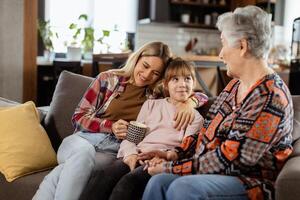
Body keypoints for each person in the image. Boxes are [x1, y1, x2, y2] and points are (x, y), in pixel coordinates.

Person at [141, 6, 294, 200]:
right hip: (218, 171)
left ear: (242, 46)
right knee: (158, 181)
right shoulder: (234, 86)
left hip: (250, 181)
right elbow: (207, 133)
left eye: (223, 44)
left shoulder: (270, 96)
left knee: (184, 188)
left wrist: (171, 167)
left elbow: (233, 160)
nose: (220, 54)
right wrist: (174, 154)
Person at [33, 42, 206, 200]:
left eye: (155, 73)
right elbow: (78, 117)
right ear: (137, 58)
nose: (146, 75)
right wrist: (111, 126)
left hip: (113, 150)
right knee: (82, 155)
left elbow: (191, 89)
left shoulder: (155, 95)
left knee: (67, 171)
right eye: (145, 66)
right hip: (83, 140)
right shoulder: (108, 78)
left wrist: (191, 102)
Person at [80, 57, 207, 200]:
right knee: (104, 176)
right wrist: (130, 154)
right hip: (138, 153)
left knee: (128, 183)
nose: (182, 84)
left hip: (159, 159)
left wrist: (162, 157)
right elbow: (132, 137)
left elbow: (185, 150)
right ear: (165, 85)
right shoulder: (151, 105)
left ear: (194, 83)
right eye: (175, 79)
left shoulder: (195, 117)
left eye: (187, 79)